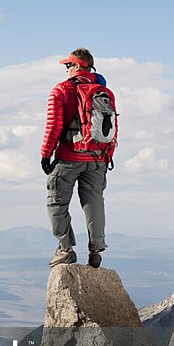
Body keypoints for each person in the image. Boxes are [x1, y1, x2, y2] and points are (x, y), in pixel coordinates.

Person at [40, 47, 114, 268]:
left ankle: (65, 249)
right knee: (94, 201)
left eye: (68, 65)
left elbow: (54, 125)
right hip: (98, 157)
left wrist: (46, 154)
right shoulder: (104, 91)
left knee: (57, 201)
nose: (66, 70)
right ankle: (96, 250)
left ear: (77, 66)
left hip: (69, 157)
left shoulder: (61, 90)